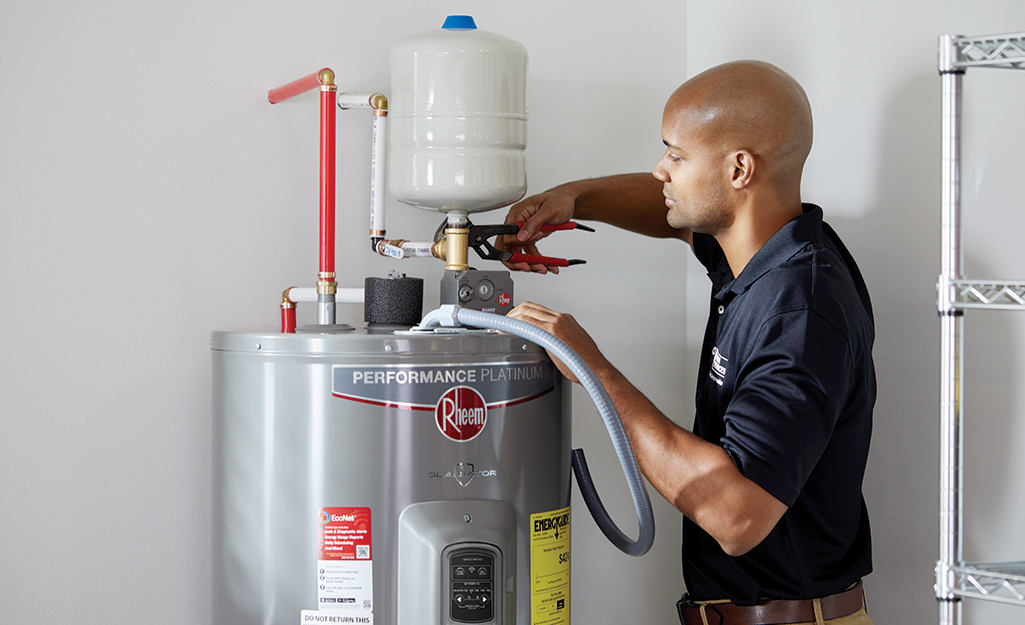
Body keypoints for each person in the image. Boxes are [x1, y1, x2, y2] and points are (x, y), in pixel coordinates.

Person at [501, 61, 875, 625]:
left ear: (739, 169)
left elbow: (736, 516)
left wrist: (593, 369)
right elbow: (680, 215)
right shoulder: (764, 248)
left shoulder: (800, 312)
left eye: (675, 155)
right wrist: (574, 197)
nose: (660, 170)